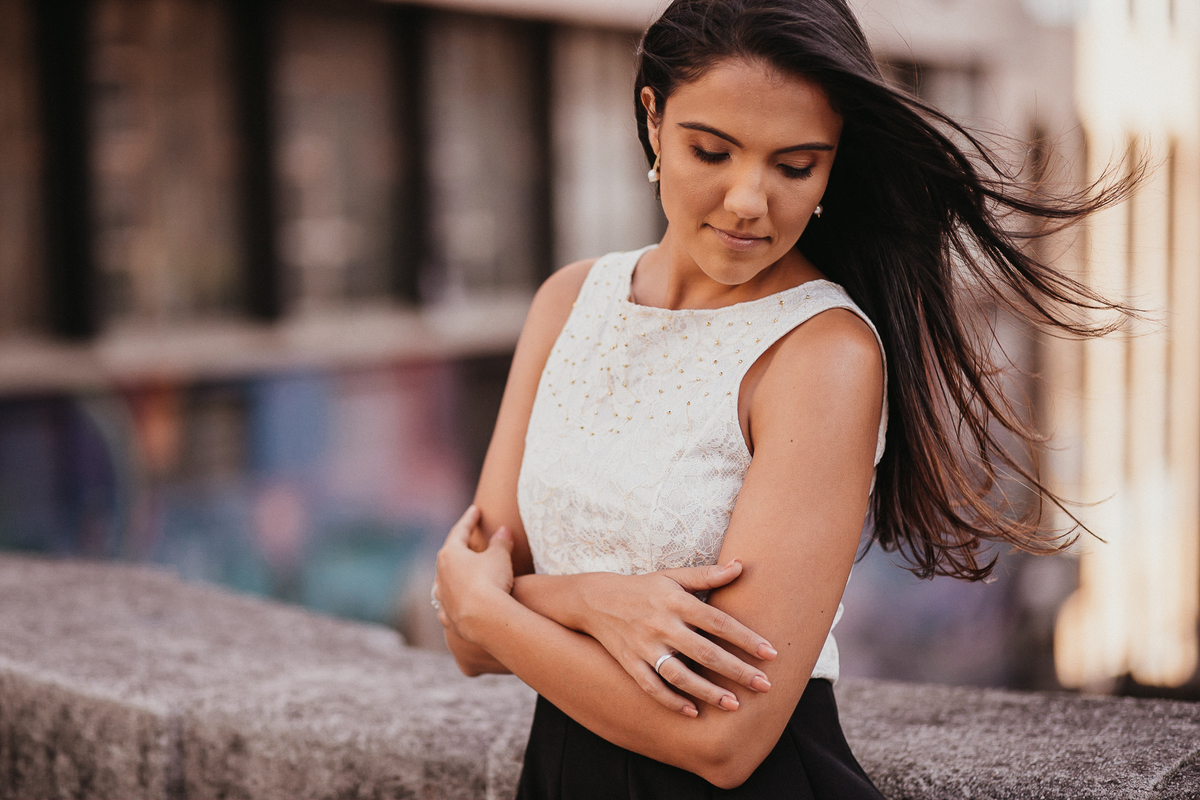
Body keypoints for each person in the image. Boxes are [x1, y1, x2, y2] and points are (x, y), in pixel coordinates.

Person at [430, 0, 1131, 797]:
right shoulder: (566, 302)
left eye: (795, 166)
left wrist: (500, 611)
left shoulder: (823, 353)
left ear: (831, 166)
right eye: (712, 151)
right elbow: (464, 636)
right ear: (652, 118)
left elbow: (725, 740)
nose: (748, 202)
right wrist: (589, 601)